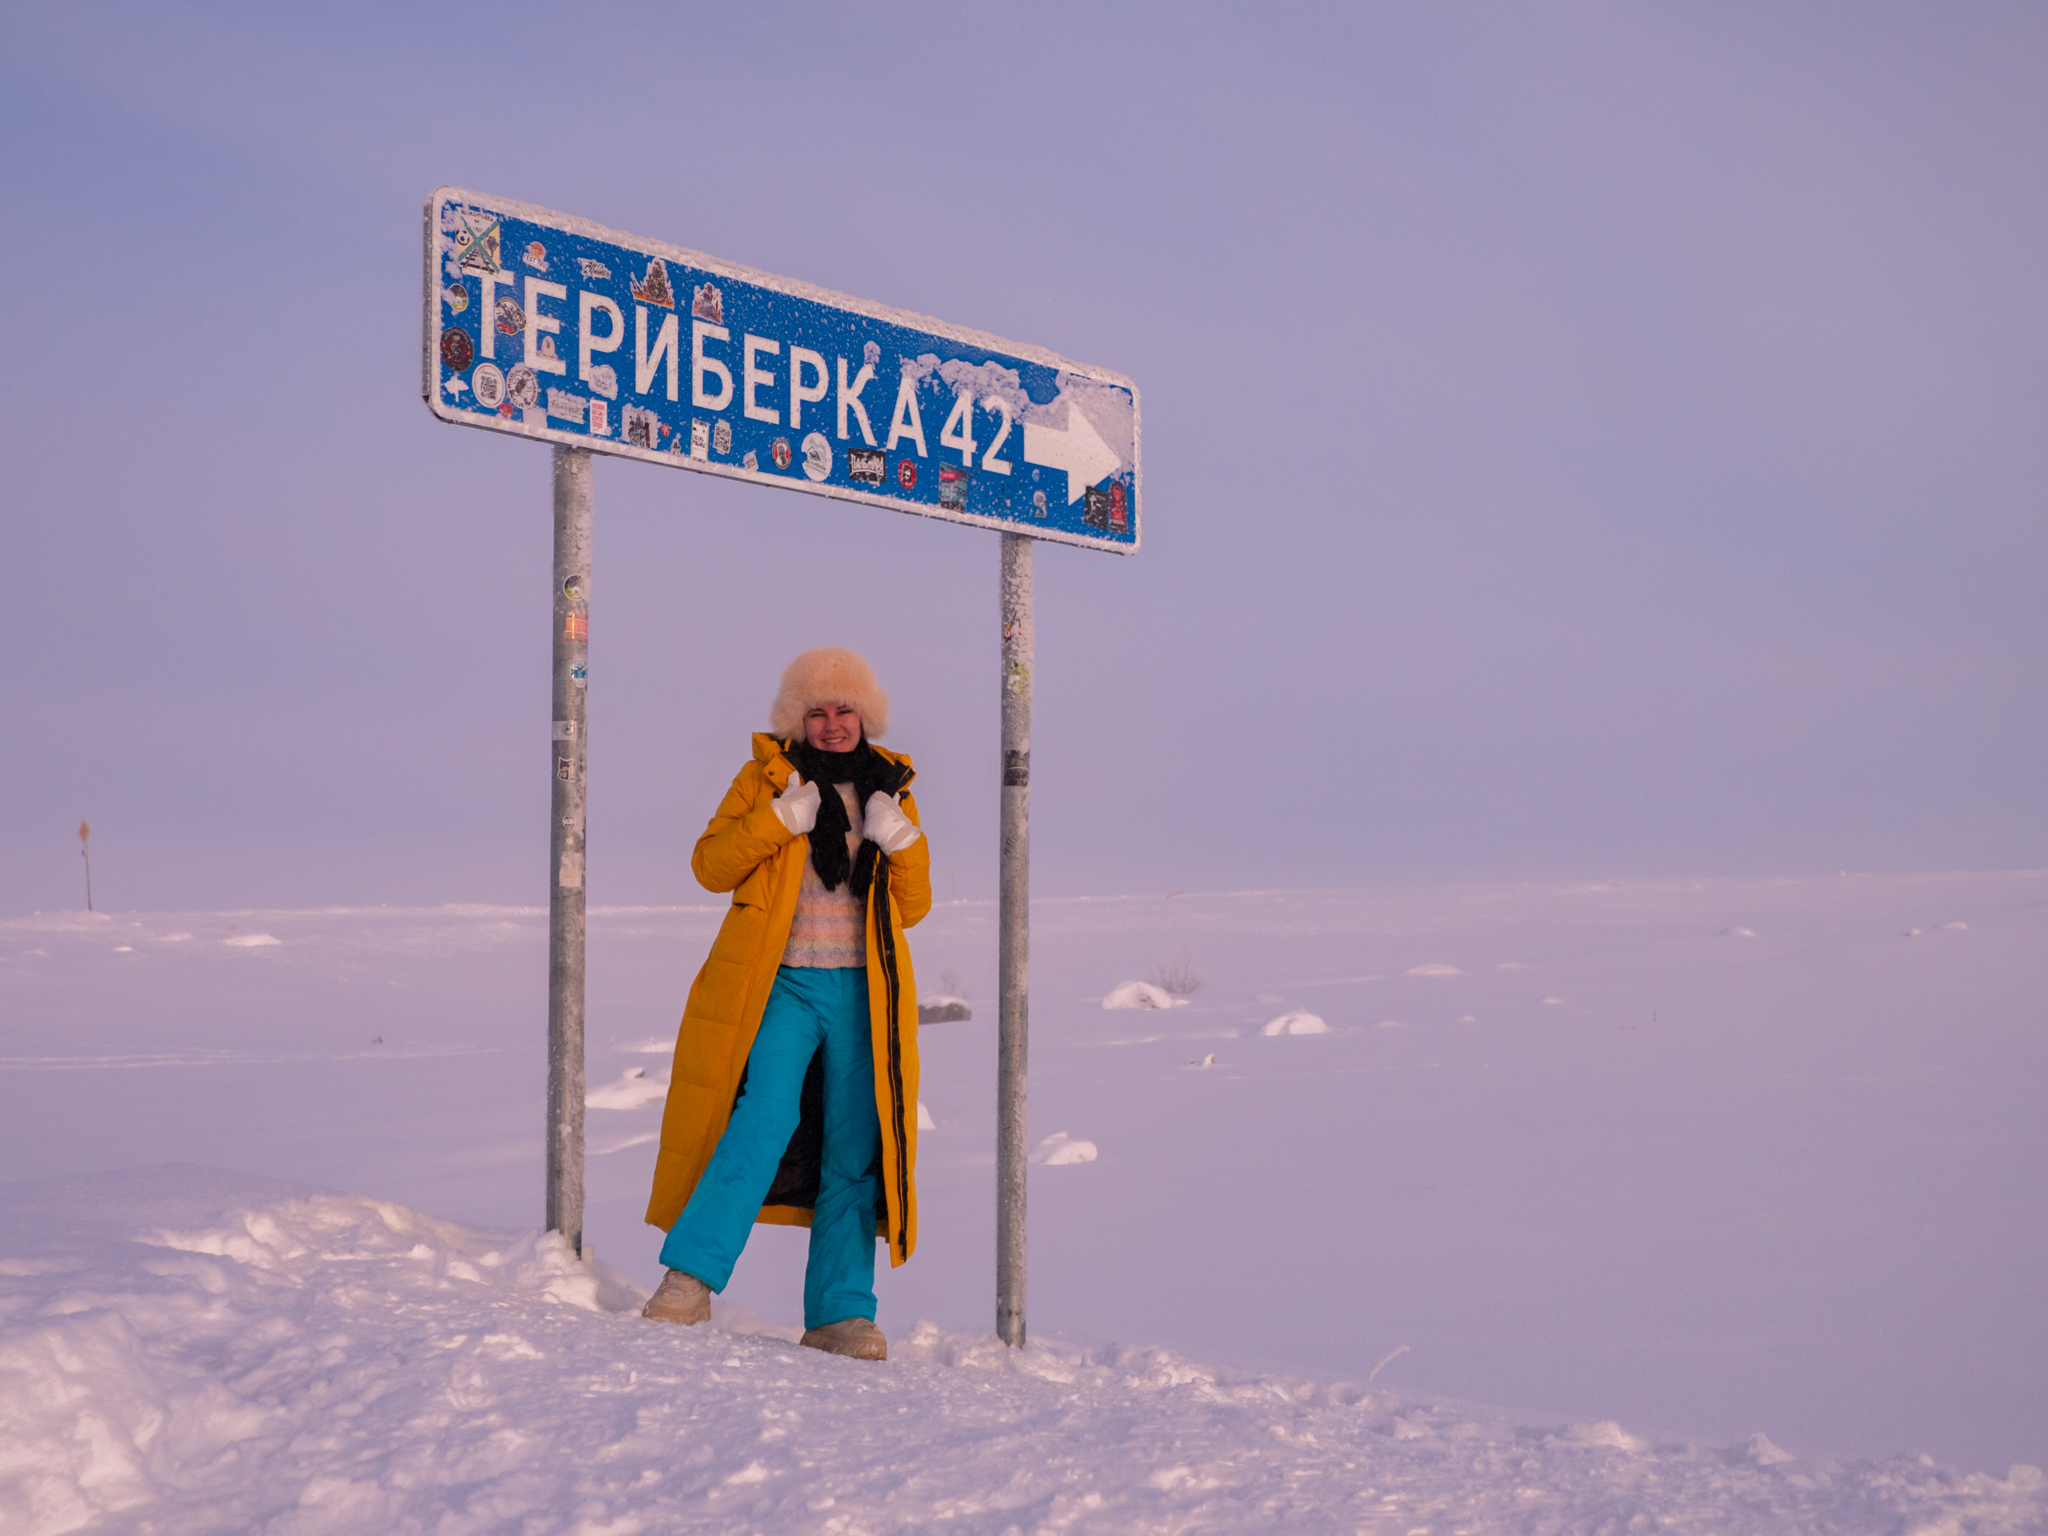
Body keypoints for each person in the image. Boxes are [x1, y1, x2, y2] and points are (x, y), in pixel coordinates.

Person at [640, 647, 930, 1360]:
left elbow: (913, 908)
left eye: (844, 710)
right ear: (796, 720)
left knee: (855, 1150)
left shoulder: (891, 787)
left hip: (862, 994)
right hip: (785, 986)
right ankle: (688, 1281)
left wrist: (903, 841)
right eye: (816, 712)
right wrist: (779, 818)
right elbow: (711, 866)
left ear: (866, 715)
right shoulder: (768, 778)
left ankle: (840, 1314)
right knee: (759, 1123)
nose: (832, 724)